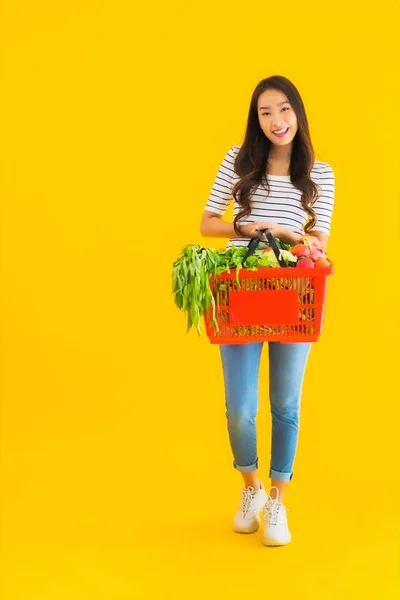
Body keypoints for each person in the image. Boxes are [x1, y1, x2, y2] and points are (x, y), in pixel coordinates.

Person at [199, 75, 335, 546]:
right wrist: (250, 224)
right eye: (265, 112)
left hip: (294, 297)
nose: (277, 121)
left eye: (284, 109)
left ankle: (278, 500)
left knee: (286, 404)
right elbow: (207, 223)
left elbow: (318, 247)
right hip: (241, 296)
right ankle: (251, 489)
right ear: (255, 120)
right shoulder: (237, 164)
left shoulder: (322, 174)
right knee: (240, 409)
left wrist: (289, 235)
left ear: (298, 112)